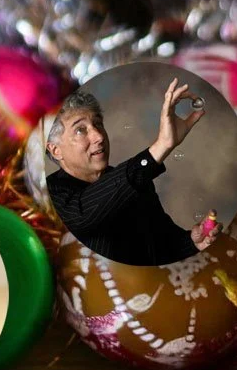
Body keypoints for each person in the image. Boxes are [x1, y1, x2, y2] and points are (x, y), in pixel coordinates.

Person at [45, 78, 222, 266]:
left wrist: (192, 242)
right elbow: (82, 215)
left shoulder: (136, 180)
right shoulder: (51, 194)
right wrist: (161, 146)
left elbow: (164, 245)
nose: (98, 136)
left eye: (98, 124)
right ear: (56, 150)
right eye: (80, 130)